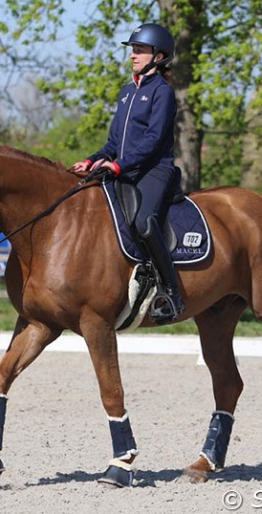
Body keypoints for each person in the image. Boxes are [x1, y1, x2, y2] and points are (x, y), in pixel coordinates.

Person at [72, 22, 184, 324]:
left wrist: (119, 165)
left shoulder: (162, 93)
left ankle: (170, 293)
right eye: (132, 49)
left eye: (139, 50)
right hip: (124, 169)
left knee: (143, 223)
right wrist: (92, 159)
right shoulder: (126, 93)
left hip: (154, 170)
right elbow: (113, 142)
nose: (133, 54)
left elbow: (154, 140)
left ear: (158, 56)